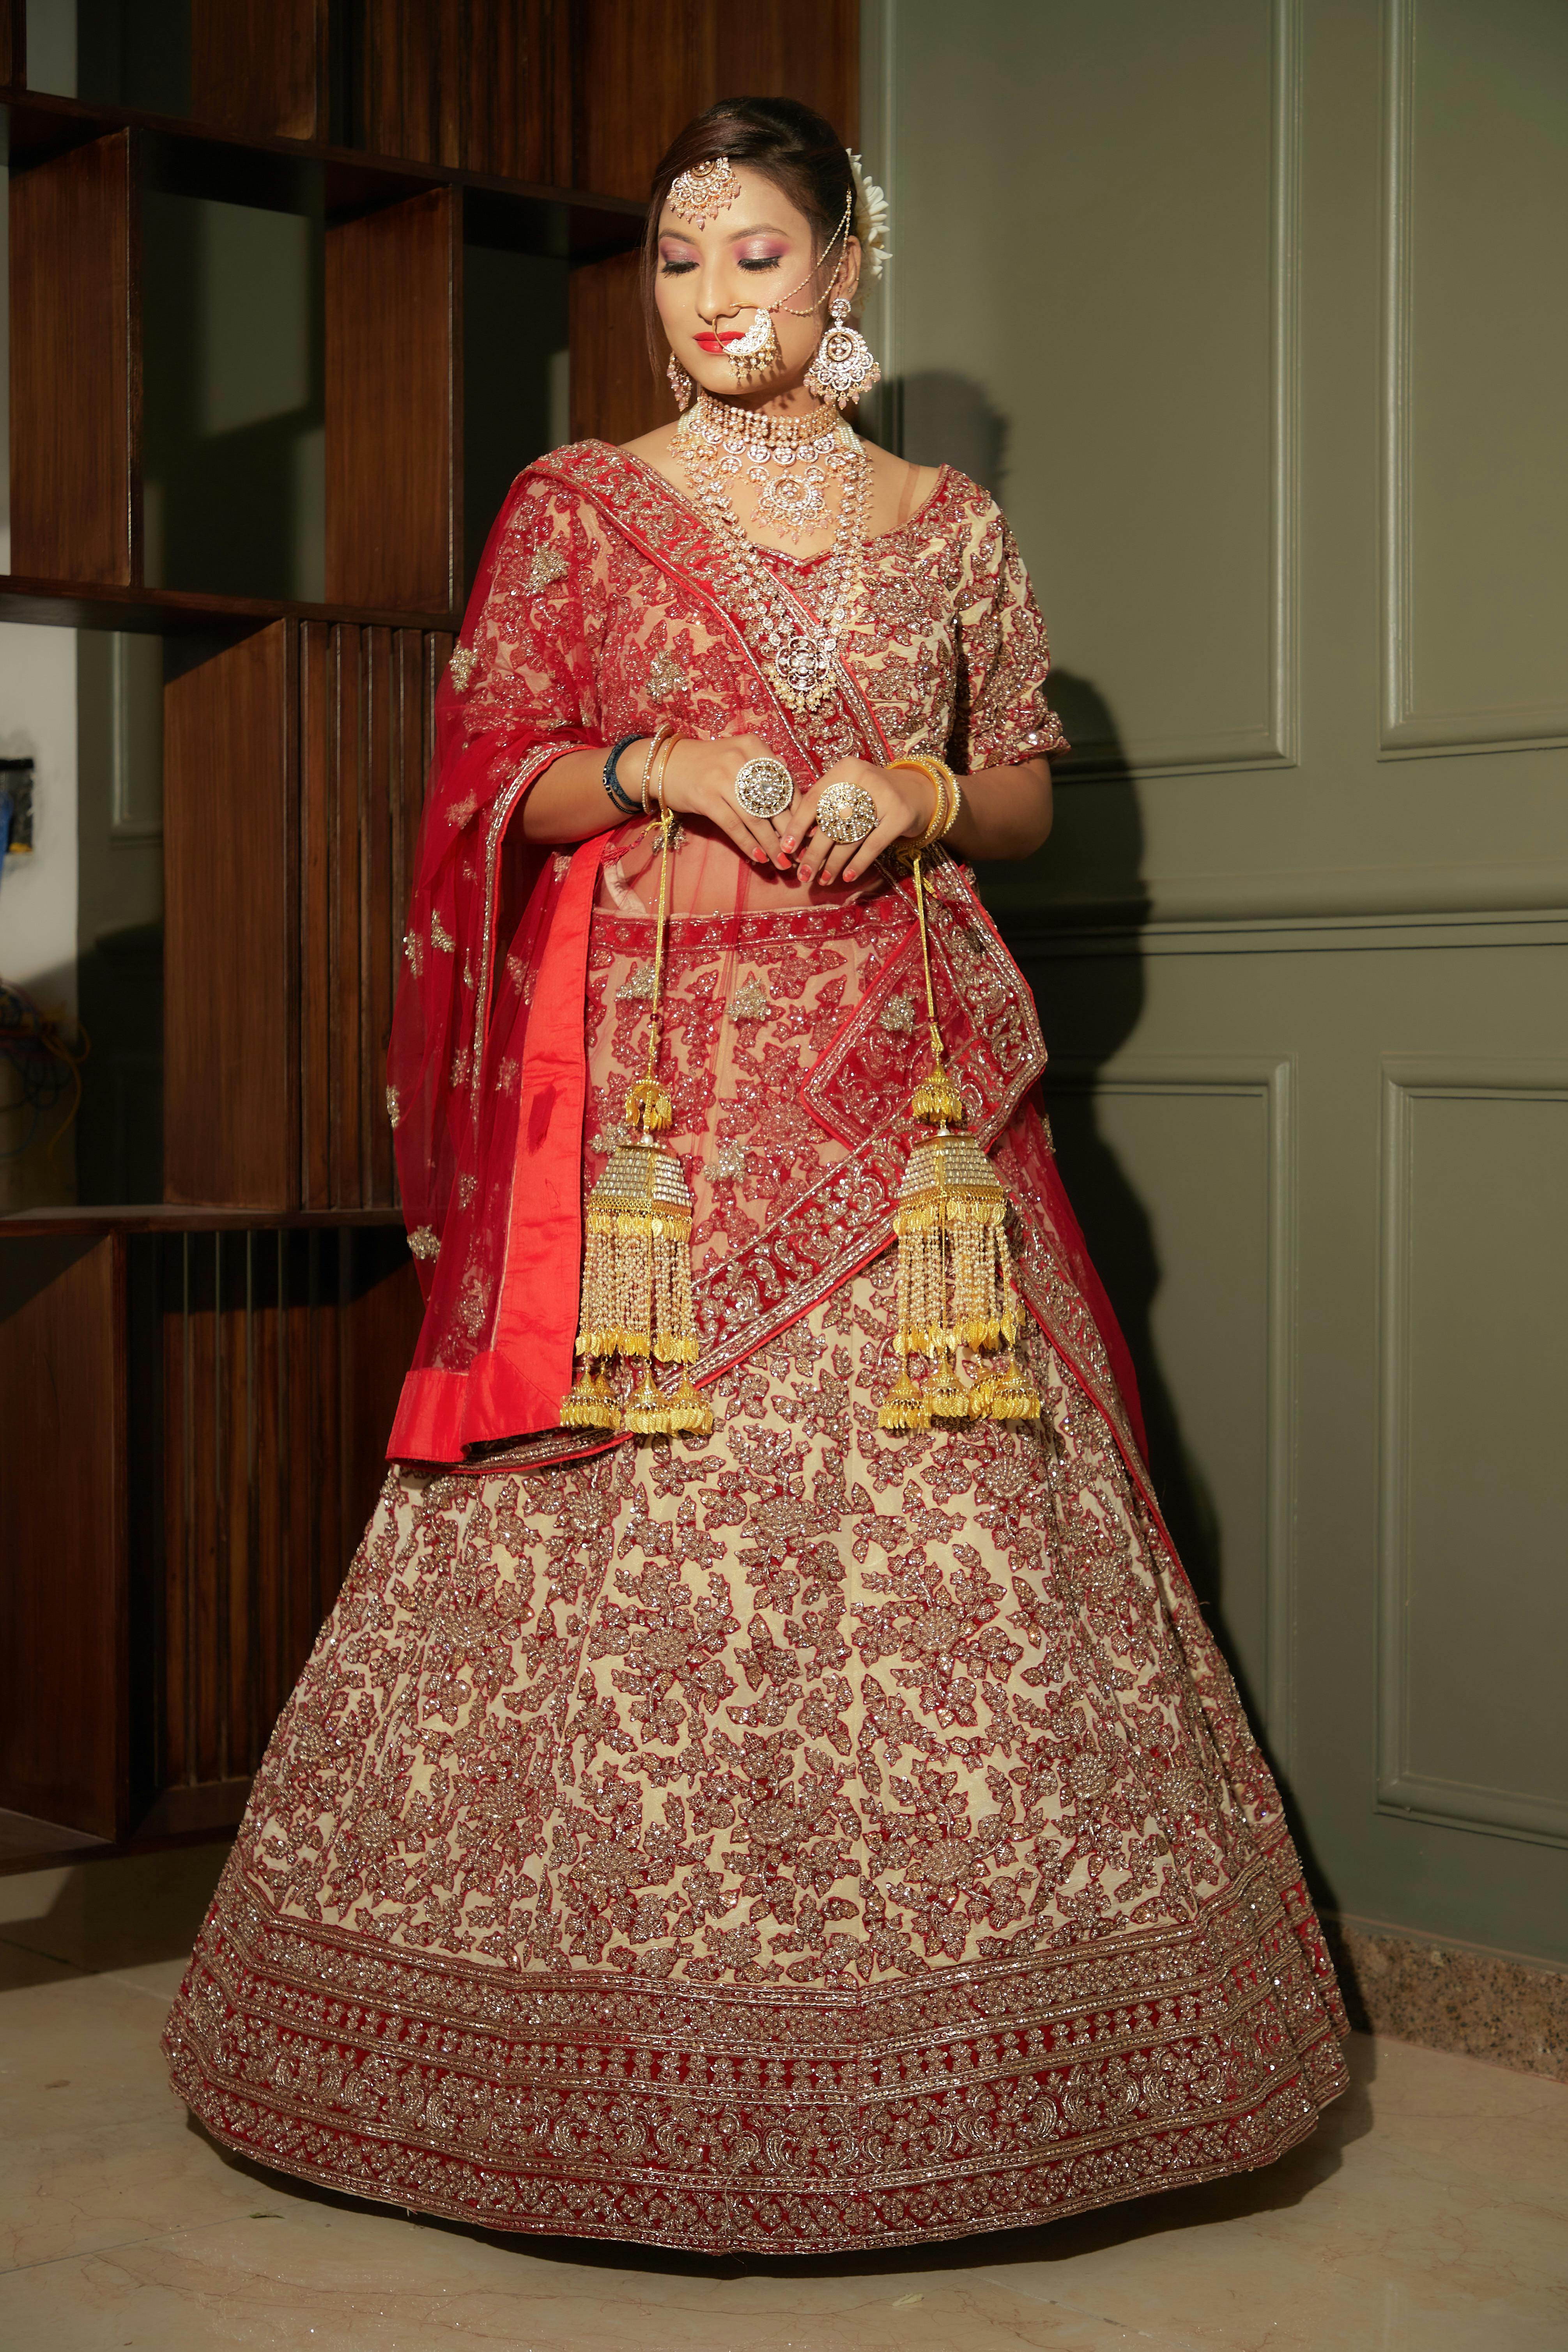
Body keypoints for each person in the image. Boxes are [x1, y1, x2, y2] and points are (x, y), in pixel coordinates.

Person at [165, 95, 1347, 2255]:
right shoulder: (578, 511)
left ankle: (1015, 2082)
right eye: (680, 258)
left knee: (968, 1523)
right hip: (646, 1130)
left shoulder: (947, 520)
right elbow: (485, 779)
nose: (717, 298)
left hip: (907, 1128)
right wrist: (658, 764)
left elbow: (1022, 795)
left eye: (759, 256)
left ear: (844, 268)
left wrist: (911, 783)